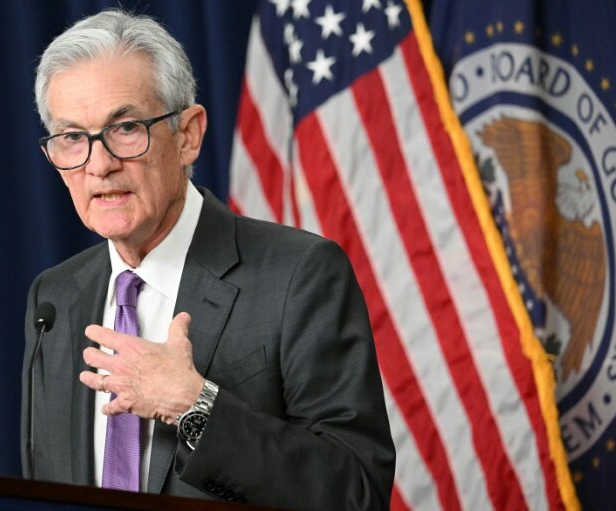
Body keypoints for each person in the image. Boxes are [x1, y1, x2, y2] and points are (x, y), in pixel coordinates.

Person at [21, 8, 395, 510]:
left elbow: (356, 491)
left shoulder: (300, 274)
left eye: (126, 127)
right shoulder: (54, 299)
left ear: (189, 135)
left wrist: (193, 406)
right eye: (72, 138)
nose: (100, 165)